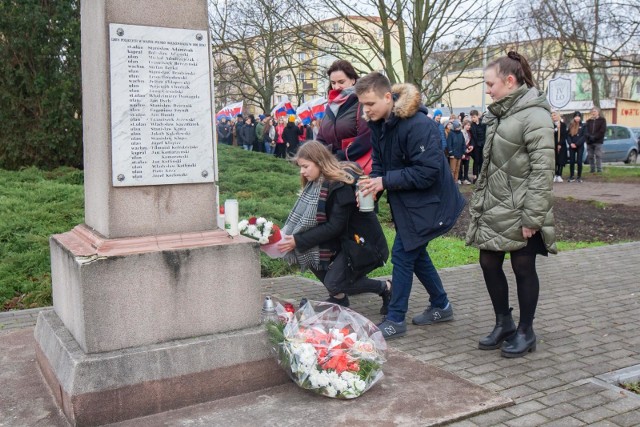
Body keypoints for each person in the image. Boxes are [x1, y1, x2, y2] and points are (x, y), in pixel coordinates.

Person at [355, 72, 465, 339]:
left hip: (433, 204)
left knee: (404, 255)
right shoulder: (379, 125)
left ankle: (395, 319)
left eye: (370, 104)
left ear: (387, 97)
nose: (365, 110)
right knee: (416, 255)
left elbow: (427, 172)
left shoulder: (418, 125)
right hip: (410, 204)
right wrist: (373, 187)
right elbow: (380, 165)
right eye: (362, 105)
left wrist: (384, 181)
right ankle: (441, 304)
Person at [466, 51, 556, 358]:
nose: (487, 90)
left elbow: (543, 171)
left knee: (522, 265)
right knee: (488, 262)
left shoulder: (535, 115)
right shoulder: (500, 113)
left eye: (490, 84)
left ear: (509, 80)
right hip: (496, 205)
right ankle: (503, 321)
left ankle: (525, 331)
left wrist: (533, 216)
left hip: (522, 208)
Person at [277, 141, 392, 314]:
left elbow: (334, 227)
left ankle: (386, 287)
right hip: (344, 242)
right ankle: (339, 297)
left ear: (319, 161)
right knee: (306, 252)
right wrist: (291, 239)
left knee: (335, 282)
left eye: (305, 166)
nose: (302, 171)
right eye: (301, 167)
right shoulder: (317, 184)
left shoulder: (340, 185)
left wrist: (297, 240)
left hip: (364, 245)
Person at [316, 59, 373, 174]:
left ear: (353, 80)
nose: (336, 87)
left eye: (341, 82)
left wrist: (338, 156)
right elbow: (321, 138)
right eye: (333, 83)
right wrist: (321, 156)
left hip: (356, 169)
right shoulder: (330, 106)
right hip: (332, 169)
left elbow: (366, 137)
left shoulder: (362, 102)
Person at [585, 107, 606, 173]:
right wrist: (589, 136)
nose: (593, 113)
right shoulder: (588, 121)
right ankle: (592, 169)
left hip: (598, 141)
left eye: (595, 111)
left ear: (598, 112)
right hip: (589, 141)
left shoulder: (602, 120)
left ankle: (599, 169)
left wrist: (595, 137)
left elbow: (602, 131)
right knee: (590, 156)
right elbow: (585, 131)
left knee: (598, 155)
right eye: (592, 111)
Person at [567, 111, 586, 182]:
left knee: (579, 161)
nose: (577, 118)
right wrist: (570, 143)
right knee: (571, 161)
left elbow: (584, 136)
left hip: (579, 146)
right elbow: (568, 136)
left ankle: (579, 176)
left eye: (578, 117)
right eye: (576, 117)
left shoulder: (583, 125)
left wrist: (577, 144)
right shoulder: (571, 125)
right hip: (572, 146)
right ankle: (571, 176)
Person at [469, 109, 486, 183]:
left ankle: (481, 177)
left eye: (474, 117)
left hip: (483, 144)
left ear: (478, 116)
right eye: (472, 117)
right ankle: (475, 176)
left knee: (482, 161)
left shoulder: (483, 123)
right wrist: (472, 145)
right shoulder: (472, 125)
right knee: (476, 161)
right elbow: (472, 137)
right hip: (476, 145)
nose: (473, 119)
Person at [551, 111, 568, 182]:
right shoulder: (551, 125)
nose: (554, 117)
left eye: (555, 115)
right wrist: (556, 129)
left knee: (560, 160)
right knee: (554, 161)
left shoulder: (563, 125)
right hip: (553, 145)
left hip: (561, 145)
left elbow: (564, 135)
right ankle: (554, 175)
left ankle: (559, 175)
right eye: (552, 116)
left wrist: (560, 144)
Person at [459, 119, 473, 184]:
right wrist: (464, 150)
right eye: (467, 125)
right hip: (461, 151)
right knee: (460, 165)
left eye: (469, 125)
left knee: (467, 165)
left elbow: (469, 142)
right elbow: (461, 143)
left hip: (467, 151)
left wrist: (469, 147)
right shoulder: (461, 132)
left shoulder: (469, 133)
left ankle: (466, 177)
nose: (468, 127)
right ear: (464, 125)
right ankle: (460, 178)